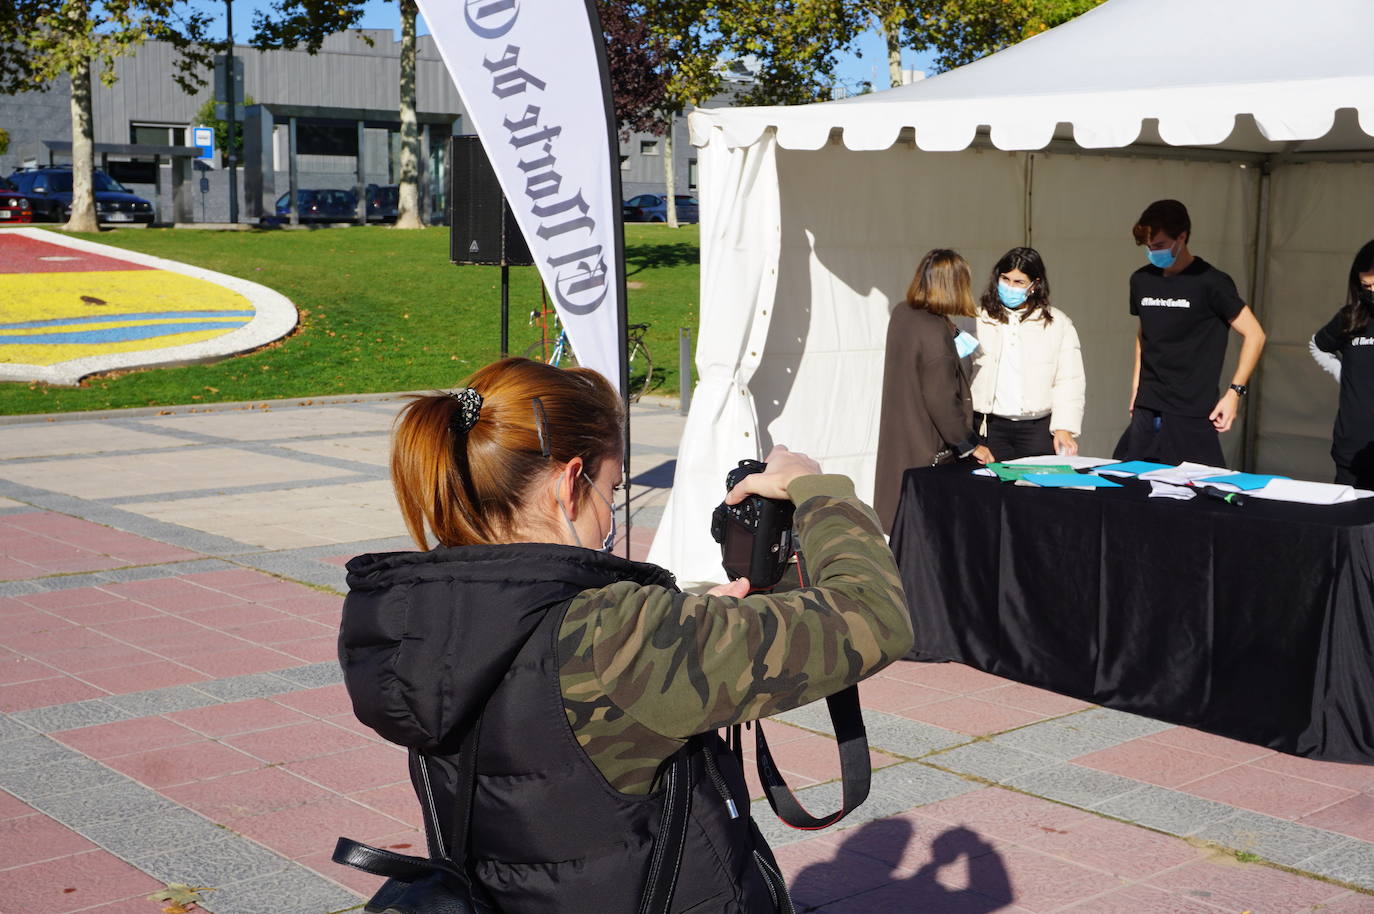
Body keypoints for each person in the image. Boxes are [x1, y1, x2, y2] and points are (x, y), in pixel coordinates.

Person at [339, 357, 914, 914]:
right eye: (612, 491)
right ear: (569, 483)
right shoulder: (617, 635)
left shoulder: (413, 618)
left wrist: (681, 635)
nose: (611, 515)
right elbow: (875, 615)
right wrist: (818, 490)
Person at [1114, 199, 1266, 467]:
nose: (1152, 252)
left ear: (1181, 237)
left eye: (1159, 245)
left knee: (1198, 490)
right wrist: (1136, 386)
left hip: (1192, 408)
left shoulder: (1211, 282)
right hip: (1148, 405)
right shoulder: (1141, 280)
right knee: (1126, 480)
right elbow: (1144, 335)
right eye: (1148, 247)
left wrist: (1234, 394)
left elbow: (1255, 334)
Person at [875, 249, 994, 533]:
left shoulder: (903, 313)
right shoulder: (934, 333)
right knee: (928, 534)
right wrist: (970, 444)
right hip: (927, 451)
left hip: (901, 442)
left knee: (902, 531)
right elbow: (941, 400)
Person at [970, 247, 1086, 460]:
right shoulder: (976, 319)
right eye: (1005, 279)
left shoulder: (1058, 323)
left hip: (1037, 429)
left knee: (1035, 491)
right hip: (990, 428)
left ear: (1035, 285)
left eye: (1019, 282)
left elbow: (1070, 380)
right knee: (990, 490)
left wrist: (1064, 428)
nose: (1010, 287)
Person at [1310, 239, 1374, 488]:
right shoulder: (1351, 318)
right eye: (1366, 286)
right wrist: (1344, 373)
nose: (1372, 292)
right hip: (1351, 449)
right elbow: (1317, 345)